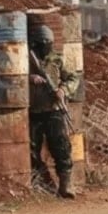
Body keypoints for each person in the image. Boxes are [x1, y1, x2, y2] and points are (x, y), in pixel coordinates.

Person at [28, 24, 80, 199]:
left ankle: (65, 185)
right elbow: (12, 76)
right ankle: (41, 182)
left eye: (46, 44)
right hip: (32, 112)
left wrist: (63, 90)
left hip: (53, 110)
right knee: (31, 149)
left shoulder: (58, 60)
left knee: (61, 147)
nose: (44, 47)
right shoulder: (27, 58)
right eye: (40, 44)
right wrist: (29, 78)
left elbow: (73, 78)